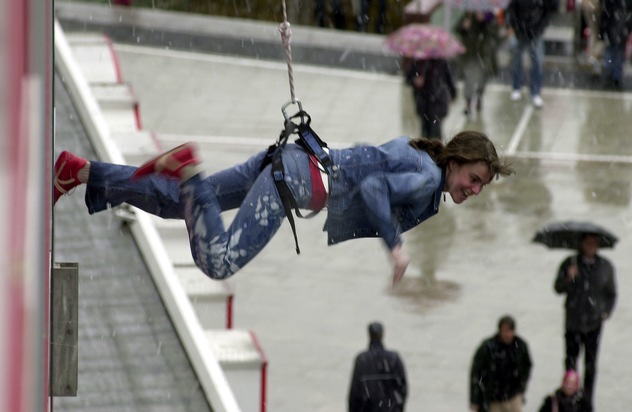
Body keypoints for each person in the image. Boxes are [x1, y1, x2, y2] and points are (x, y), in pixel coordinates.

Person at [53, 131, 513, 284]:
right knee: (217, 260)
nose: (472, 190)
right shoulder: (429, 176)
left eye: (480, 188)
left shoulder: (422, 157)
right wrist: (395, 247)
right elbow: (373, 189)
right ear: (456, 160)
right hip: (293, 180)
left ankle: (78, 172)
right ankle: (187, 169)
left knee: (177, 204)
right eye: (473, 178)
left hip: (291, 160)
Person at [554, 232, 617, 410]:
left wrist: (605, 313)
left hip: (594, 325)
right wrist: (569, 277)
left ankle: (587, 403)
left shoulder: (605, 266)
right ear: (581, 243)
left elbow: (611, 294)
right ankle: (568, 399)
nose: (591, 246)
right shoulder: (570, 262)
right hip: (573, 322)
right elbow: (557, 288)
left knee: (590, 366)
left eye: (594, 243)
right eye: (588, 242)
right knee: (570, 364)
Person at [469, 315, 533, 412]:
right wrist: (475, 399)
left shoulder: (520, 346)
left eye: (509, 330)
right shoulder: (488, 347)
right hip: (494, 399)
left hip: (514, 397)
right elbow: (476, 372)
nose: (506, 334)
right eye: (504, 330)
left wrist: (521, 386)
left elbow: (527, 365)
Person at [505, 0, 559, 108]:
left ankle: (535, 92)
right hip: (520, 32)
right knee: (517, 60)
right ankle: (517, 87)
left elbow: (550, 10)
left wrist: (540, 27)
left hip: (536, 32)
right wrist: (514, 26)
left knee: (538, 62)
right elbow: (512, 9)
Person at [348, 322, 407, 411]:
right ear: (383, 334)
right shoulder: (394, 358)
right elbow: (403, 388)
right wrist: (398, 408)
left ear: (369, 335)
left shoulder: (362, 359)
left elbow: (355, 392)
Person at [455, 11, 501, 117]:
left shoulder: (490, 17)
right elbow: (458, 29)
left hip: (484, 54)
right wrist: (464, 26)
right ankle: (468, 103)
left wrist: (485, 22)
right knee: (469, 79)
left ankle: (479, 96)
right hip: (470, 54)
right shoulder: (468, 15)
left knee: (482, 79)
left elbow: (494, 34)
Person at [406, 58, 457, 140]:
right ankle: (426, 148)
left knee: (435, 128)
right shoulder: (418, 62)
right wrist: (415, 80)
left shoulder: (442, 62)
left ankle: (435, 149)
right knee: (425, 129)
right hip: (423, 102)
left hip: (438, 101)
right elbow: (408, 78)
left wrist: (453, 94)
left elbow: (450, 79)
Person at [600, 0, 631, 89]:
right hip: (616, 23)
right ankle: (614, 74)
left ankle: (612, 74)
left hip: (615, 23)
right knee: (615, 49)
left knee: (614, 49)